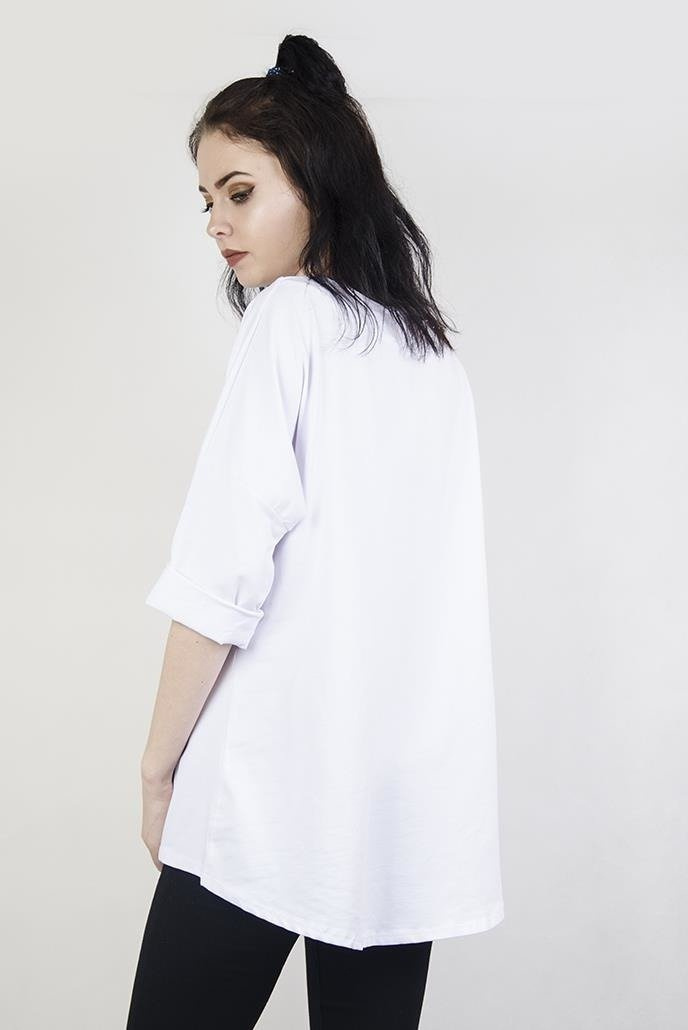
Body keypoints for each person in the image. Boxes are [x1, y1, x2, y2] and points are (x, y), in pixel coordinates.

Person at [126, 33, 504, 1030]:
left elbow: (221, 573)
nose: (218, 221)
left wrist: (159, 766)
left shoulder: (290, 320)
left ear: (317, 180)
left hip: (265, 790)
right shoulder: (430, 355)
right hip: (395, 815)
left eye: (240, 191)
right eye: (207, 200)